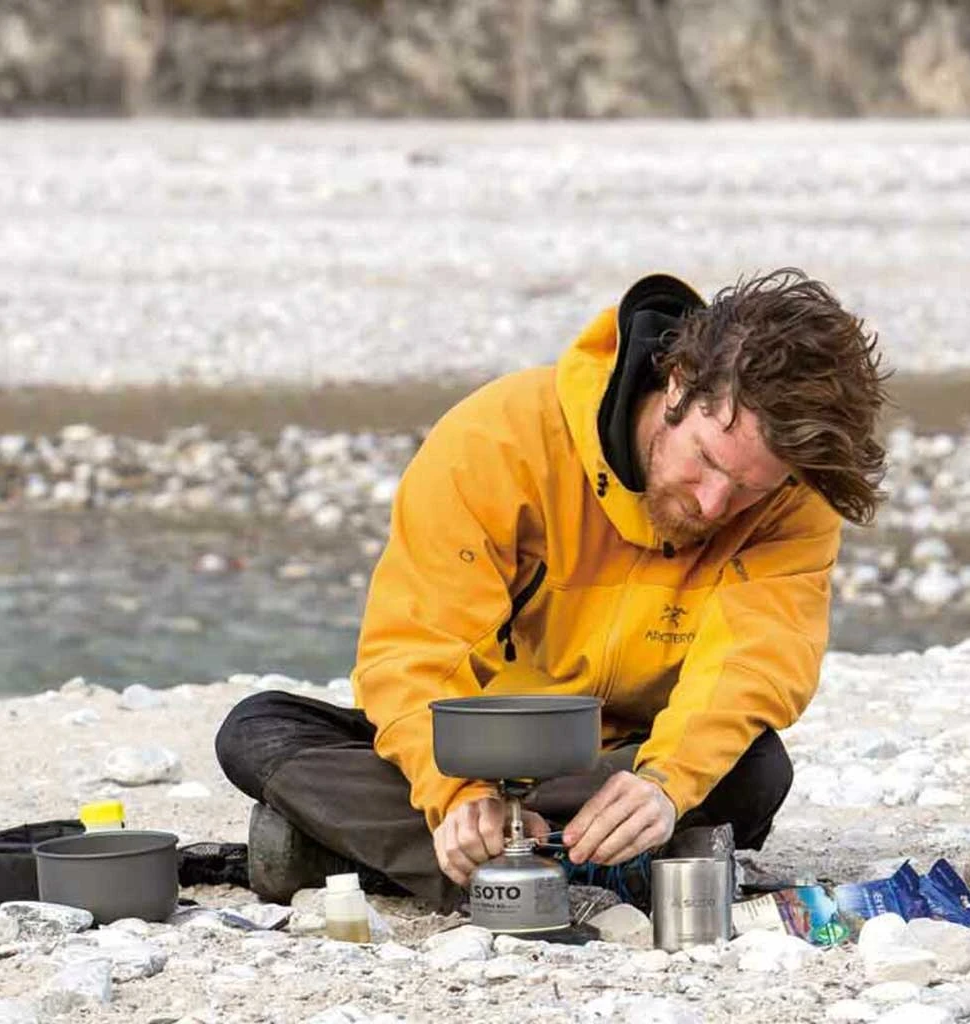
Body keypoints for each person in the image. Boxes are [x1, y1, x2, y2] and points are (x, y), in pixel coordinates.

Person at [215, 268, 888, 911]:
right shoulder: (498, 436)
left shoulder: (796, 498)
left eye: (748, 488)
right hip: (475, 746)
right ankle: (596, 866)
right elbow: (413, 651)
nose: (713, 504)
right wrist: (458, 793)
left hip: (620, 760)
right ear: (678, 384)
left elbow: (752, 664)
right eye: (707, 460)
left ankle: (425, 863)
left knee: (755, 770)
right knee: (259, 730)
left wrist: (664, 786)